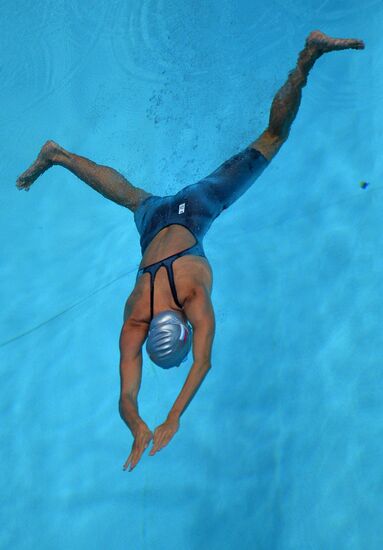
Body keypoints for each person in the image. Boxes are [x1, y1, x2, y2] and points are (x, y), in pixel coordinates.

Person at [16, 31, 365, 472]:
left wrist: (173, 417)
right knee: (130, 197)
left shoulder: (193, 299)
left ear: (182, 327)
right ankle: (59, 156)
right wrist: (138, 425)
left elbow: (203, 361)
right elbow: (125, 396)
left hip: (195, 210)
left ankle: (308, 57)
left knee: (273, 137)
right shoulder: (135, 315)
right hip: (154, 220)